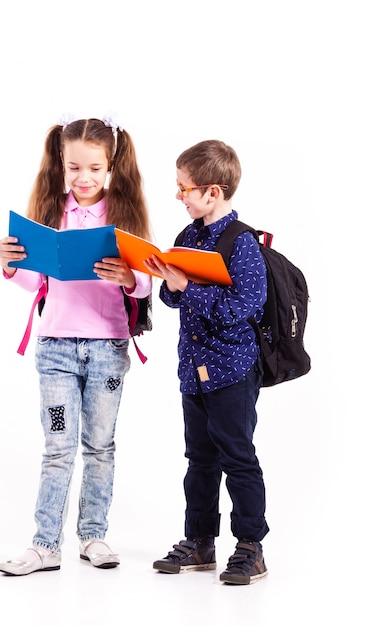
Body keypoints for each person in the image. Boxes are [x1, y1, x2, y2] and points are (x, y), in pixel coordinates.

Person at [0, 116, 152, 576]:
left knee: (100, 445)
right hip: (56, 350)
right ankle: (45, 545)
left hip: (107, 350)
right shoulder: (50, 210)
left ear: (112, 166)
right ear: (61, 165)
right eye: (74, 168)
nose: (84, 178)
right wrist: (9, 265)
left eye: (95, 168)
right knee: (58, 446)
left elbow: (145, 283)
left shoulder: (125, 214)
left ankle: (93, 535)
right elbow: (33, 280)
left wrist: (129, 278)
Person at [144, 139, 269, 585]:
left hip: (232, 371)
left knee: (238, 457)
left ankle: (251, 548)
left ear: (212, 192)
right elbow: (171, 298)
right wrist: (168, 280)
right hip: (192, 371)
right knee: (199, 459)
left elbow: (246, 305)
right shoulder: (188, 236)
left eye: (185, 189)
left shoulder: (242, 242)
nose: (179, 196)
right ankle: (199, 542)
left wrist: (187, 287)